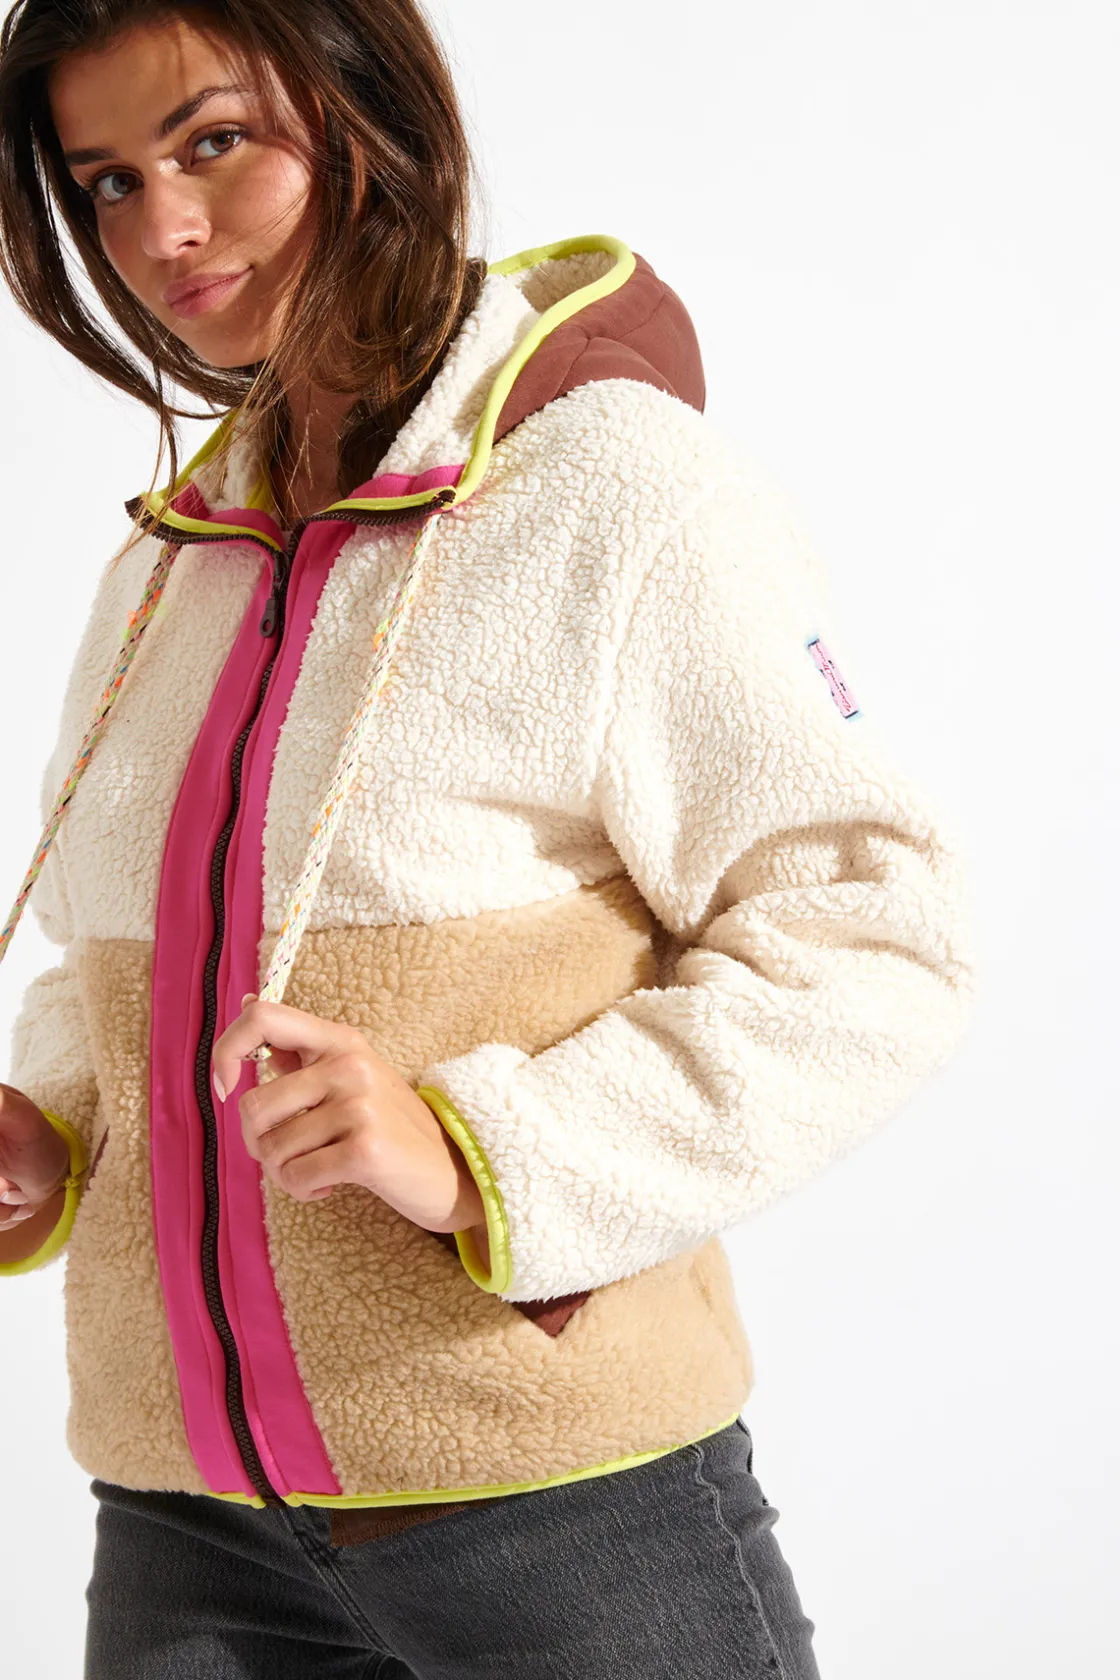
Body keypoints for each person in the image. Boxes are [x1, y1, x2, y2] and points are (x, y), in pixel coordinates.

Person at [0, 3, 975, 1676]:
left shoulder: (618, 491)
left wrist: (482, 1153)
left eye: (214, 142)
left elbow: (874, 937)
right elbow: (127, 961)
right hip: (188, 1527)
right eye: (108, 181)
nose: (163, 231)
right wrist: (52, 1133)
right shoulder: (170, 563)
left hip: (562, 1511)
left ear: (365, 106)